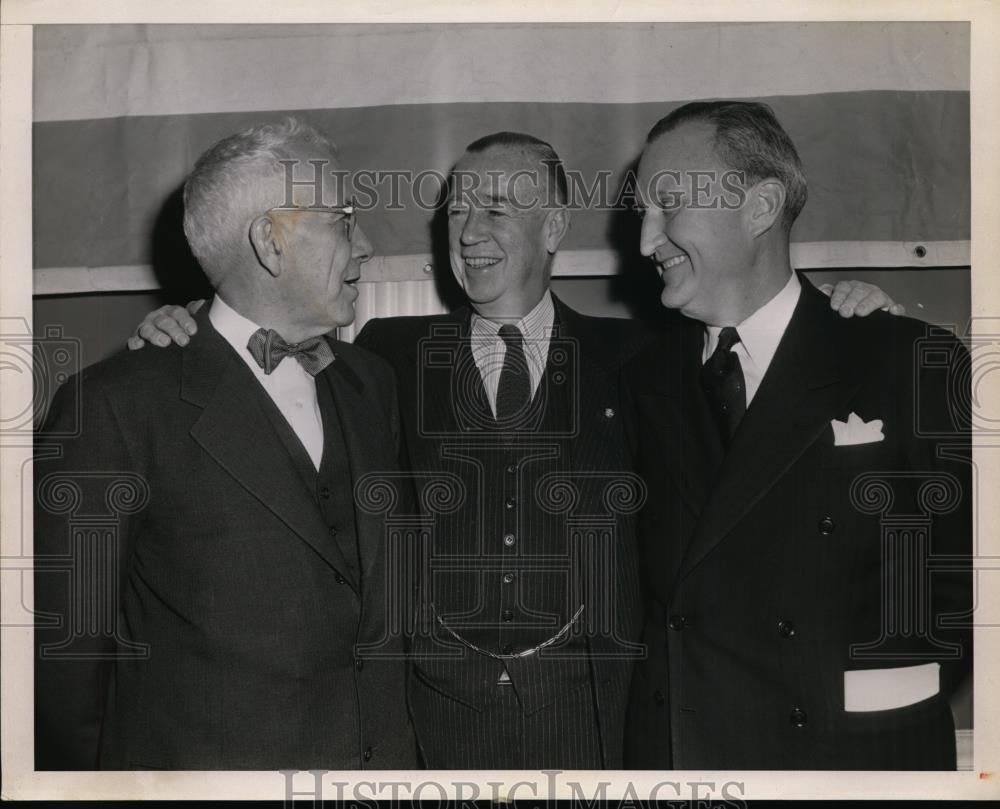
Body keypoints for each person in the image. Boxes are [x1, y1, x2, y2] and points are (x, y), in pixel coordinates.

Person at [128, 131, 899, 769]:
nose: (468, 230)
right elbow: (258, 349)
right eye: (458, 210)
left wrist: (850, 310)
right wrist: (189, 324)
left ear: (554, 228)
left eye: (496, 207)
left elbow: (760, 365)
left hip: (596, 733)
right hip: (427, 735)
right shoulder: (379, 358)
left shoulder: (645, 360)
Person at [34, 119, 417, 770]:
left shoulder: (373, 383)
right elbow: (63, 677)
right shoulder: (114, 407)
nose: (369, 243)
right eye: (344, 219)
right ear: (271, 242)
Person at [623, 100, 972, 770]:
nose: (645, 241)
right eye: (642, 211)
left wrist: (869, 711)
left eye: (668, 205)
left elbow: (961, 587)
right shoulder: (636, 380)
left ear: (759, 209)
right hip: (689, 763)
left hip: (850, 763)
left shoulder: (904, 359)